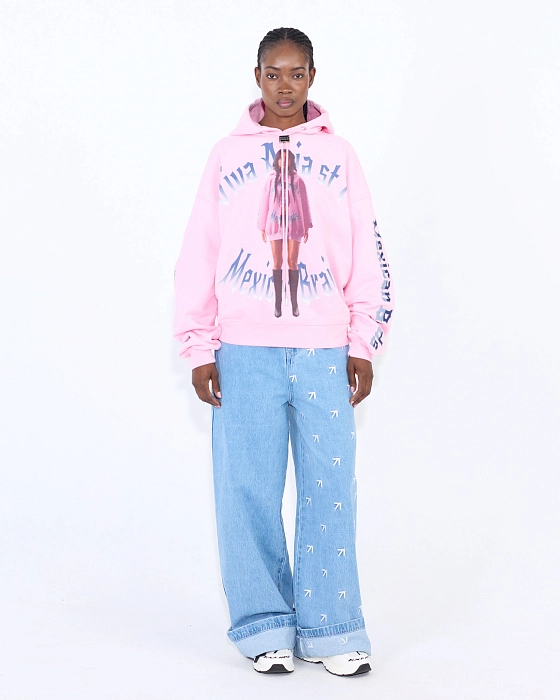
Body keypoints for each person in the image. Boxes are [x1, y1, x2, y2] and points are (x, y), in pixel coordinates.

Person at [173, 27, 395, 677]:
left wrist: (363, 341)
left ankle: (332, 626)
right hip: (243, 350)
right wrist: (199, 345)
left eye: (296, 73)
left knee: (330, 488)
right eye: (274, 73)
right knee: (247, 488)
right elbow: (199, 251)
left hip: (325, 349)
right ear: (258, 76)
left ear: (312, 77)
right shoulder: (225, 156)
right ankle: (264, 625)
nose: (285, 85)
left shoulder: (340, 156)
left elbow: (366, 247)